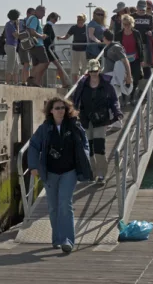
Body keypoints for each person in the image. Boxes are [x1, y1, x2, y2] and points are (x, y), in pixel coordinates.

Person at [27, 96, 93, 253]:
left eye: (63, 108)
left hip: (69, 171)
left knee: (65, 204)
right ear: (51, 111)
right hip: (50, 172)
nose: (60, 111)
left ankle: (67, 240)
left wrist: (83, 157)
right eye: (57, 108)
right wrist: (33, 166)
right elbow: (34, 145)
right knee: (53, 207)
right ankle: (56, 238)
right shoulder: (45, 128)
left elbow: (84, 143)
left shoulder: (74, 125)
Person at [73, 59, 123, 184]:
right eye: (91, 71)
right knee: (88, 147)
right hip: (86, 119)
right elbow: (75, 100)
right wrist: (72, 112)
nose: (93, 73)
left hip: (101, 119)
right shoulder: (83, 83)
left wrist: (117, 112)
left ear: (99, 70)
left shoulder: (107, 83)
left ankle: (101, 175)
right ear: (88, 71)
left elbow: (114, 100)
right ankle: (92, 173)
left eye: (95, 70)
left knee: (99, 147)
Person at [114, 15, 144, 105]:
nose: (127, 26)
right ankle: (123, 97)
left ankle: (132, 97)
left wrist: (142, 60)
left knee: (135, 78)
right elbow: (115, 47)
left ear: (132, 24)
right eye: (125, 24)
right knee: (122, 78)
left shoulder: (136, 33)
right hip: (123, 59)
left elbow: (140, 47)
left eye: (128, 24)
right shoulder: (119, 34)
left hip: (135, 58)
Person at [58, 13, 88, 83]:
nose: (79, 21)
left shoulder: (86, 28)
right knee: (75, 67)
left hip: (84, 50)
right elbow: (66, 37)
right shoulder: (73, 28)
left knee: (85, 66)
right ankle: (76, 83)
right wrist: (60, 38)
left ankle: (85, 82)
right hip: (75, 50)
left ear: (84, 20)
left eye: (81, 19)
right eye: (78, 19)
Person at [4, 9, 20, 84]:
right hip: (10, 46)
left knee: (16, 65)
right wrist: (18, 26)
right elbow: (16, 35)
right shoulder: (10, 24)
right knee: (11, 64)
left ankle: (16, 82)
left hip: (14, 45)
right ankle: (7, 82)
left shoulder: (11, 24)